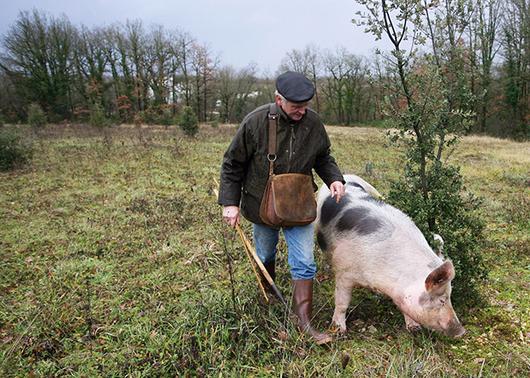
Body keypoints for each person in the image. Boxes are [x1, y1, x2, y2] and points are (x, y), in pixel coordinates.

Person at [218, 71, 345, 344]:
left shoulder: (313, 124)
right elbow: (232, 164)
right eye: (295, 106)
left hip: (299, 204)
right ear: (278, 99)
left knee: (305, 263)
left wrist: (334, 179)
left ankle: (304, 322)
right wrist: (230, 203)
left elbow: (323, 157)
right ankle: (271, 303)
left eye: (306, 105)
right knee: (264, 254)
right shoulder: (255, 122)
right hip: (260, 204)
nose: (302, 111)